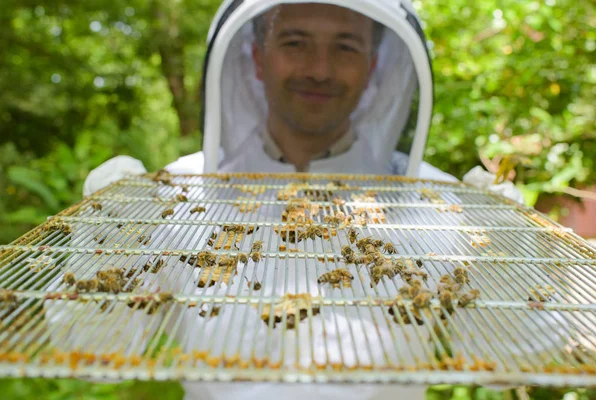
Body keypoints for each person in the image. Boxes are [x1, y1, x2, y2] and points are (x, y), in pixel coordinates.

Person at [78, 3, 531, 400]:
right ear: (256, 58)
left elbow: (510, 363)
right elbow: (96, 354)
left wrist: (508, 260)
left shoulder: (435, 202)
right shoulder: (176, 193)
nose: (320, 69)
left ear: (374, 66)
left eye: (345, 47)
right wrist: (102, 239)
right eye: (294, 42)